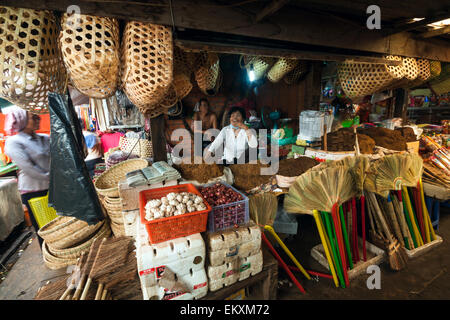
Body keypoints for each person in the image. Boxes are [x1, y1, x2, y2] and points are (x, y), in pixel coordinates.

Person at [4, 108, 49, 248]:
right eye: (33, 117)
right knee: (44, 225)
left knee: (58, 221)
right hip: (34, 191)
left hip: (52, 186)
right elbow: (28, 168)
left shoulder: (44, 138)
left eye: (37, 116)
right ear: (22, 120)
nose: (38, 119)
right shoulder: (14, 142)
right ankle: (50, 254)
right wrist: (53, 178)